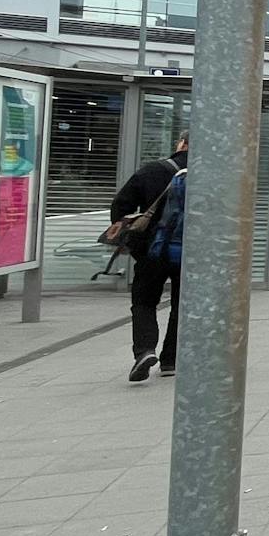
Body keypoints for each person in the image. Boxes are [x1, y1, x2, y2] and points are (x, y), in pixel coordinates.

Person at [110, 131, 186, 383]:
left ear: (182, 144)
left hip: (152, 251)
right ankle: (171, 360)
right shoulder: (212, 173)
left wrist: (134, 243)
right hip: (190, 253)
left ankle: (144, 351)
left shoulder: (153, 170)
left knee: (144, 301)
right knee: (181, 304)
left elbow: (121, 206)